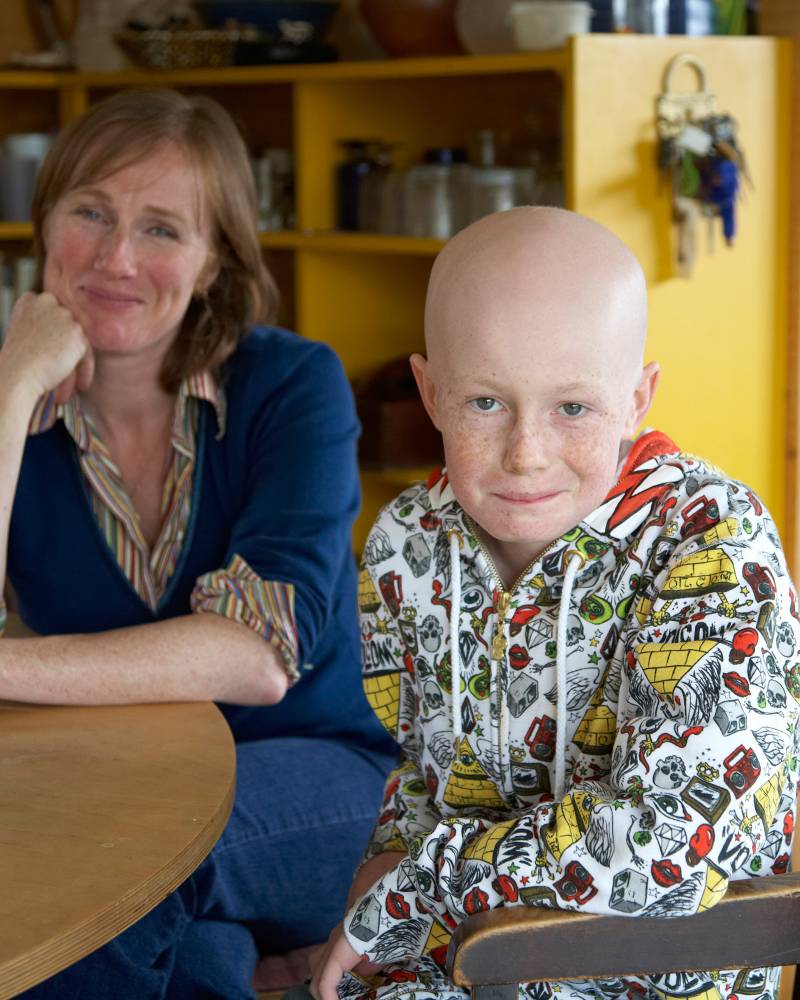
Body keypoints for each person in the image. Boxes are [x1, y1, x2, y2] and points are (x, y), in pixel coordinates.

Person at [310, 207, 800, 1000]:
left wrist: (416, 886)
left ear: (637, 399)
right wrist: (392, 856)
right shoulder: (404, 543)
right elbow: (417, 770)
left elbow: (675, 842)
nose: (525, 454)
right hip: (449, 964)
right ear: (430, 392)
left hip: (647, 980)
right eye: (484, 403)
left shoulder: (713, 542)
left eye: (573, 408)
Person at [0, 87, 396, 999]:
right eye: (90, 213)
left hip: (321, 774)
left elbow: (256, 657)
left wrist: (8, 669)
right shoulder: (10, 411)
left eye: (162, 229)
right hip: (125, 784)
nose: (116, 258)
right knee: (196, 960)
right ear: (44, 222)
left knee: (95, 871)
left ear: (215, 260)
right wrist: (15, 386)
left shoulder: (291, 386)